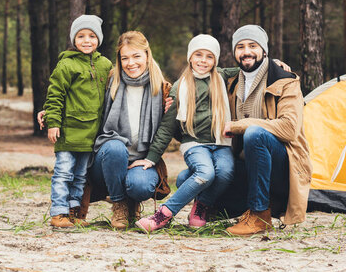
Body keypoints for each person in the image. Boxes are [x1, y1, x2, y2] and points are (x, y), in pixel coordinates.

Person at [135, 34, 236, 233]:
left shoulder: (221, 76)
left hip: (221, 142)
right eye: (198, 55)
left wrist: (274, 64)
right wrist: (151, 158)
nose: (203, 61)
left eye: (209, 57)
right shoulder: (179, 87)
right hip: (195, 144)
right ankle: (163, 214)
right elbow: (166, 127)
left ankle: (201, 206)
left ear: (215, 60)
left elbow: (249, 69)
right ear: (190, 57)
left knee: (226, 172)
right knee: (206, 173)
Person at [218, 25, 311, 236]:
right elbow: (200, 76)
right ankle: (232, 210)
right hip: (248, 163)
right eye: (240, 47)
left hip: (283, 165)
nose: (246, 51)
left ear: (264, 51)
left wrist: (239, 125)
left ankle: (260, 215)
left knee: (254, 134)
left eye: (253, 45)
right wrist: (171, 101)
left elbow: (289, 129)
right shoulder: (232, 83)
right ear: (234, 52)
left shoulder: (286, 81)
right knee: (193, 174)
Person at [90, 31, 172, 229]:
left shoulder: (162, 89)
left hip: (141, 159)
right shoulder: (110, 82)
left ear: (147, 55)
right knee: (116, 147)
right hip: (107, 159)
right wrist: (50, 112)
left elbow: (173, 132)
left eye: (136, 56)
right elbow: (81, 99)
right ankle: (119, 204)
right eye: (124, 58)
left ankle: (133, 201)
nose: (130, 63)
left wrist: (171, 112)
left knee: (141, 185)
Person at [42, 15, 112, 228]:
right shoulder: (66, 65)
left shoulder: (105, 65)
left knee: (80, 175)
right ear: (74, 39)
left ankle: (74, 212)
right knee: (63, 173)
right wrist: (53, 122)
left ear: (98, 39)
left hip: (91, 134)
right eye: (81, 36)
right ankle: (58, 212)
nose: (86, 40)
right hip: (68, 131)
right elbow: (55, 95)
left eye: (91, 36)